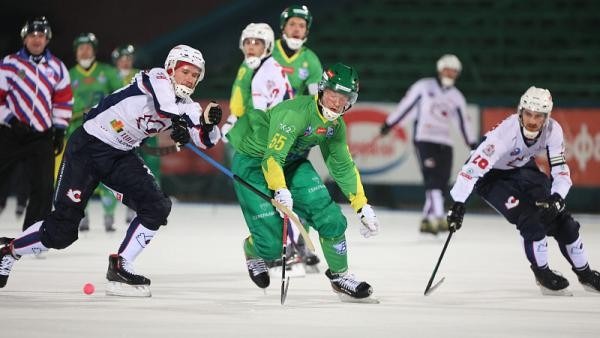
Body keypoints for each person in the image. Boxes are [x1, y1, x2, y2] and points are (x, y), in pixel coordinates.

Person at [0, 45, 223, 297]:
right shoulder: (157, 77)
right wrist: (181, 123)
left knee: (157, 207)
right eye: (186, 72)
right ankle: (8, 250)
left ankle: (121, 265)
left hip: (120, 154)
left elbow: (206, 141)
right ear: (171, 68)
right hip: (88, 147)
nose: (190, 79)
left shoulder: (188, 106)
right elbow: (164, 107)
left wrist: (206, 124)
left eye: (196, 75)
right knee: (62, 233)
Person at [226, 62, 380, 302]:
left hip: (292, 163)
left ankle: (341, 276)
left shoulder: (335, 125)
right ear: (321, 90)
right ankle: (253, 249)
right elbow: (272, 157)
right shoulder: (295, 114)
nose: (337, 103)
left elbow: (342, 166)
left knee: (330, 216)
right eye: (332, 94)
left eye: (344, 97)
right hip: (254, 165)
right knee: (274, 246)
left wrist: (362, 205)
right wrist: (280, 189)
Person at [446, 86, 600, 295]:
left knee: (563, 221)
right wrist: (458, 203)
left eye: (538, 116)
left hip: (522, 168)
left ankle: (586, 273)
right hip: (490, 176)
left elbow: (561, 169)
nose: (532, 121)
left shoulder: (553, 130)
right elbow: (471, 169)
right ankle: (543, 274)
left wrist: (558, 197)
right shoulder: (503, 134)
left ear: (547, 117)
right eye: (528, 114)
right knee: (530, 220)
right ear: (520, 112)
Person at [222, 22, 320, 275]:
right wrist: (233, 121)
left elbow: (270, 111)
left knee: (282, 191)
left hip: (279, 137)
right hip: (269, 135)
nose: (252, 47)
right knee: (276, 191)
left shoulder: (271, 70)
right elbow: (241, 99)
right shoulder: (252, 67)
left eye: (257, 43)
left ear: (266, 47)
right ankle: (286, 245)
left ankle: (292, 245)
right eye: (248, 42)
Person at [380, 54, 477, 235]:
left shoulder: (456, 96)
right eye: (448, 69)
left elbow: (463, 122)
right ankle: (439, 216)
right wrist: (390, 124)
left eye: (454, 71)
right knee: (432, 178)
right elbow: (406, 106)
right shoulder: (424, 87)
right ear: (440, 70)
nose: (450, 73)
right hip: (424, 138)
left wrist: (472, 143)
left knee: (442, 180)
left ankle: (426, 219)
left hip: (445, 141)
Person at [0, 16, 73, 231]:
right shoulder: (9, 64)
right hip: (9, 133)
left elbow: (63, 101)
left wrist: (59, 130)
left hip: (41, 135)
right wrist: (11, 119)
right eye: (32, 35)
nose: (36, 39)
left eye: (41, 35)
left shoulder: (58, 68)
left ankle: (33, 235)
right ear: (24, 38)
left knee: (43, 188)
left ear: (47, 39)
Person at [67, 32, 124, 232]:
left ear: (94, 50)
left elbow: (121, 97)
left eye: (88, 47)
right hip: (78, 132)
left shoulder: (107, 72)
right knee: (79, 177)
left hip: (104, 132)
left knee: (108, 173)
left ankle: (109, 216)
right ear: (75, 52)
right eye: (81, 47)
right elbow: (59, 103)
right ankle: (81, 216)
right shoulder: (68, 75)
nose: (85, 50)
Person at [111, 44, 160, 224]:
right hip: (120, 133)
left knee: (148, 170)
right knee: (123, 172)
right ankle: (118, 210)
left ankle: (150, 207)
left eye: (128, 58)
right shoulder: (108, 77)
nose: (125, 62)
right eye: (122, 58)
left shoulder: (142, 75)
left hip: (144, 131)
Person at [272, 5, 322, 96]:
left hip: (290, 109)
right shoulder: (267, 50)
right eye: (292, 24)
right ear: (283, 27)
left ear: (306, 32)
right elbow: (245, 84)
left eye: (302, 26)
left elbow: (315, 96)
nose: (297, 29)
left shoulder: (311, 60)